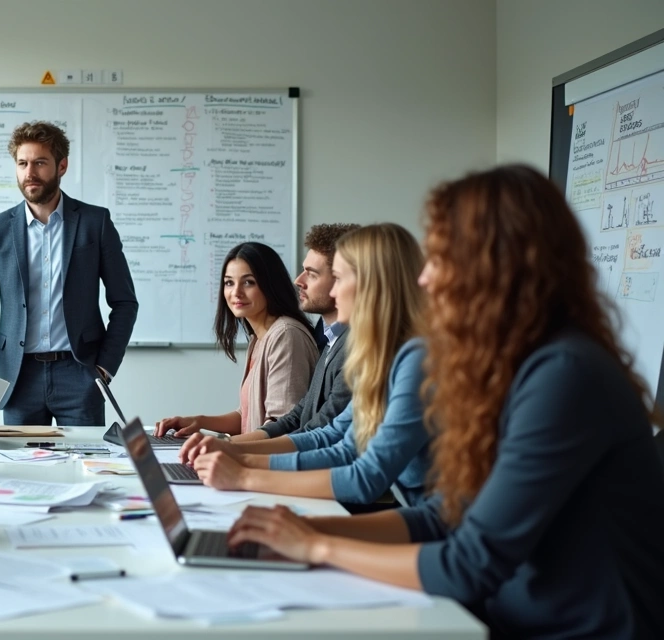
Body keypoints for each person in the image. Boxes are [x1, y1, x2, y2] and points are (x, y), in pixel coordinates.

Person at [226, 166, 664, 638]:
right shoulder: (509, 365)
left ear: (496, 264)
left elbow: (470, 562)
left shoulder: (565, 374)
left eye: (441, 258)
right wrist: (304, 533)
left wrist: (318, 548)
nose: (426, 278)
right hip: (508, 612)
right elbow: (447, 513)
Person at [182, 224, 432, 507]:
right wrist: (235, 454)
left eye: (337, 278)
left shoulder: (412, 358)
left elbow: (362, 474)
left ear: (371, 284)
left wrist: (243, 473)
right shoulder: (375, 352)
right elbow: (337, 439)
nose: (334, 293)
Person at [0, 121, 138, 426]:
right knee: (19, 471)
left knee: (87, 469)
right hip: (17, 378)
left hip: (80, 374)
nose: (30, 173)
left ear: (62, 166)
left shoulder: (95, 223)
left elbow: (124, 302)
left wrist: (105, 366)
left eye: (40, 163)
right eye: (22, 163)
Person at [158, 223, 359, 440]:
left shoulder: (287, 334)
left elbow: (295, 429)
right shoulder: (266, 338)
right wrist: (201, 424)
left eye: (248, 282)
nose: (236, 292)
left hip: (270, 462)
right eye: (228, 282)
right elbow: (259, 416)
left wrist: (222, 445)